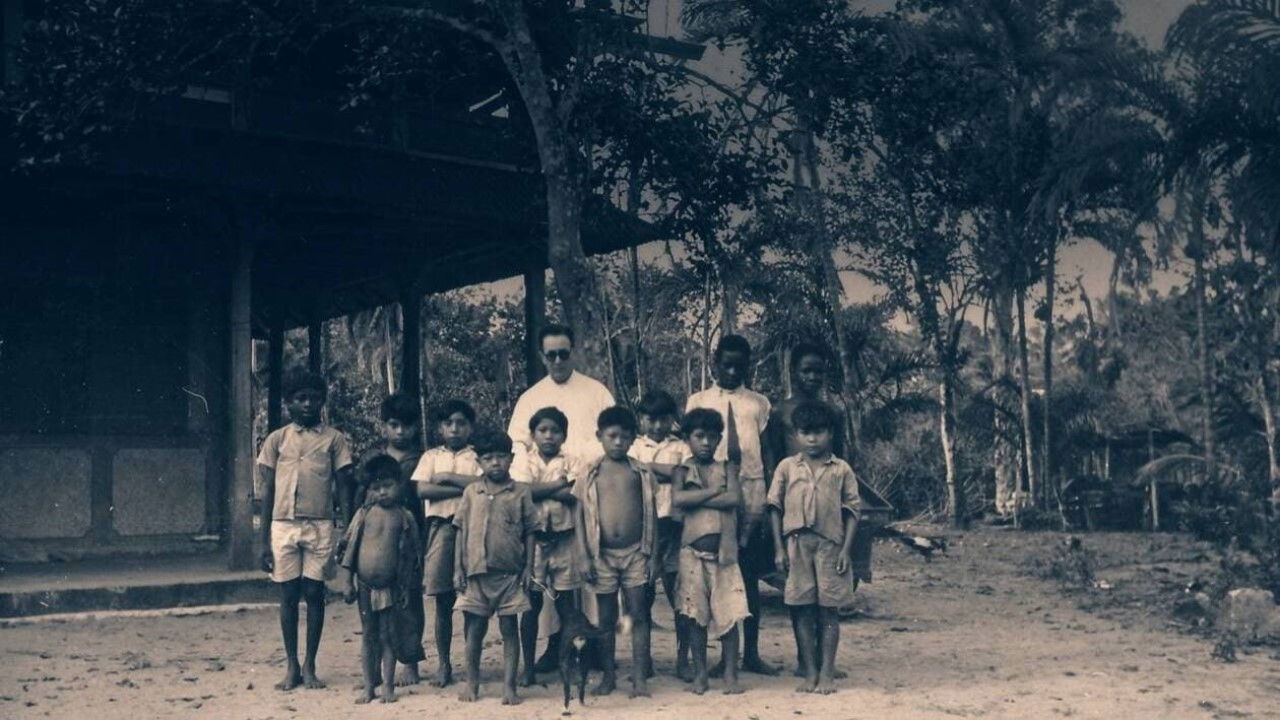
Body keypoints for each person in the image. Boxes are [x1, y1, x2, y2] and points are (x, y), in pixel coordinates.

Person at [256, 370, 355, 691]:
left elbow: (343, 487)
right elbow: (268, 490)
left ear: (322, 401)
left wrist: (347, 529)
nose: (308, 404)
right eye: (301, 398)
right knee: (287, 596)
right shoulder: (276, 439)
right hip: (282, 526)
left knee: (314, 594)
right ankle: (292, 666)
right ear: (288, 404)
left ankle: (311, 665)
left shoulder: (334, 439)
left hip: (321, 525)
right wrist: (264, 541)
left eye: (314, 398)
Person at [685, 334, 777, 676]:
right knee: (712, 574)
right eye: (727, 364)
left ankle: (750, 653)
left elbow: (765, 453)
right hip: (712, 493)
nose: (733, 370)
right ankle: (720, 657)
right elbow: (689, 449)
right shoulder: (698, 400)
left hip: (751, 492)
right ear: (714, 363)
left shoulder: (758, 403)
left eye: (740, 365)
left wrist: (768, 501)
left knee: (748, 575)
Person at [767, 402, 860, 695]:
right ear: (796, 435)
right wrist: (779, 548)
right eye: (806, 433)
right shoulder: (786, 467)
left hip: (830, 546)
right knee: (801, 609)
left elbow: (853, 511)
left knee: (828, 611)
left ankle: (827, 672)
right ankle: (808, 671)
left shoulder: (841, 469)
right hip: (796, 545)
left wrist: (846, 550)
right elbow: (774, 507)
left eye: (818, 432)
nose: (812, 439)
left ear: (830, 433)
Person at [574, 406, 657, 698]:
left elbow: (652, 514)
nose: (618, 442)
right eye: (612, 436)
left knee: (638, 613)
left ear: (633, 438)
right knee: (607, 617)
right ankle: (608, 676)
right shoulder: (589, 473)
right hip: (602, 555)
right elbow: (579, 516)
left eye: (625, 437)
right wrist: (583, 555)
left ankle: (639, 679)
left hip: (636, 552)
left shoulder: (641, 473)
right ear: (600, 436)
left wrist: (653, 554)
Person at [452, 430, 539, 705]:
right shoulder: (471, 492)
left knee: (509, 631)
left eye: (501, 457)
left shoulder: (521, 493)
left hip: (510, 576)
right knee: (474, 632)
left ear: (511, 459)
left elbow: (530, 531)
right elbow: (459, 531)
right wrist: (457, 568)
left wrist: (528, 567)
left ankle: (510, 687)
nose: (495, 463)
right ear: (479, 462)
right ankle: (472, 684)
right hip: (476, 576)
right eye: (488, 458)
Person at [672, 408, 750, 696]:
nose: (705, 442)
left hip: (724, 555)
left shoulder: (727, 468)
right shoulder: (683, 470)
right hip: (691, 554)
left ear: (719, 440)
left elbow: (734, 498)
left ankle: (730, 674)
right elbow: (679, 499)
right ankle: (701, 674)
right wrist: (712, 493)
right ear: (687, 439)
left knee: (729, 616)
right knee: (695, 617)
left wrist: (700, 499)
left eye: (712, 437)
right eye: (698, 436)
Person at [354, 393, 426, 686]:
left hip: (408, 535)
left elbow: (422, 506)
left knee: (409, 604)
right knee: (373, 608)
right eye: (394, 425)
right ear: (384, 426)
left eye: (406, 426)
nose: (400, 432)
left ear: (415, 427)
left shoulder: (422, 459)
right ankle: (375, 670)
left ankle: (410, 662)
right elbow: (359, 498)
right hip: (376, 538)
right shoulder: (372, 459)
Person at [410, 399, 481, 688]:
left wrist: (449, 478)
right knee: (442, 601)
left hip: (472, 530)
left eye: (461, 423)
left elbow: (482, 486)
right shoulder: (430, 456)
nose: (455, 429)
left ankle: (472, 665)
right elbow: (423, 489)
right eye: (449, 423)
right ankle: (444, 664)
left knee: (471, 600)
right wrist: (460, 486)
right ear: (440, 427)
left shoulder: (477, 457)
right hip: (441, 528)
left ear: (470, 427)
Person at [510, 406, 583, 687]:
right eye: (543, 430)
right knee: (530, 606)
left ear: (564, 435)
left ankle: (570, 664)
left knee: (567, 607)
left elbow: (575, 493)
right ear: (532, 435)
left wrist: (544, 489)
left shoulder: (573, 460)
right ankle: (528, 666)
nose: (549, 436)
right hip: (534, 544)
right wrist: (556, 486)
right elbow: (522, 491)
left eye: (555, 431)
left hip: (566, 540)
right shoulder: (523, 462)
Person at [341, 456, 424, 704]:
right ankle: (369, 686)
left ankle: (388, 685)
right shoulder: (363, 515)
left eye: (387, 486)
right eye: (376, 488)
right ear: (369, 490)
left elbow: (412, 555)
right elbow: (350, 549)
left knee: (389, 635)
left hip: (392, 587)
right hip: (365, 586)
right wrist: (347, 581)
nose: (382, 492)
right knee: (369, 635)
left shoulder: (405, 517)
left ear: (399, 484)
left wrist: (409, 586)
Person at [629, 389, 692, 679]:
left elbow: (684, 473)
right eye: (650, 419)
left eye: (663, 420)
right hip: (642, 529)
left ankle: (683, 658)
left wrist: (650, 468)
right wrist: (665, 472)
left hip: (674, 525)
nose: (656, 426)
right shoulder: (633, 447)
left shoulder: (681, 446)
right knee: (641, 595)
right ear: (641, 419)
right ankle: (644, 661)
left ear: (672, 420)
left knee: (680, 595)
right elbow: (630, 474)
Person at [508, 324, 615, 461]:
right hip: (546, 477)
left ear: (573, 352)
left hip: (592, 474)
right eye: (551, 355)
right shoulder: (529, 399)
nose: (558, 361)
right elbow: (516, 444)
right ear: (542, 357)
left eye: (563, 354)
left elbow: (616, 433)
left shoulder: (598, 393)